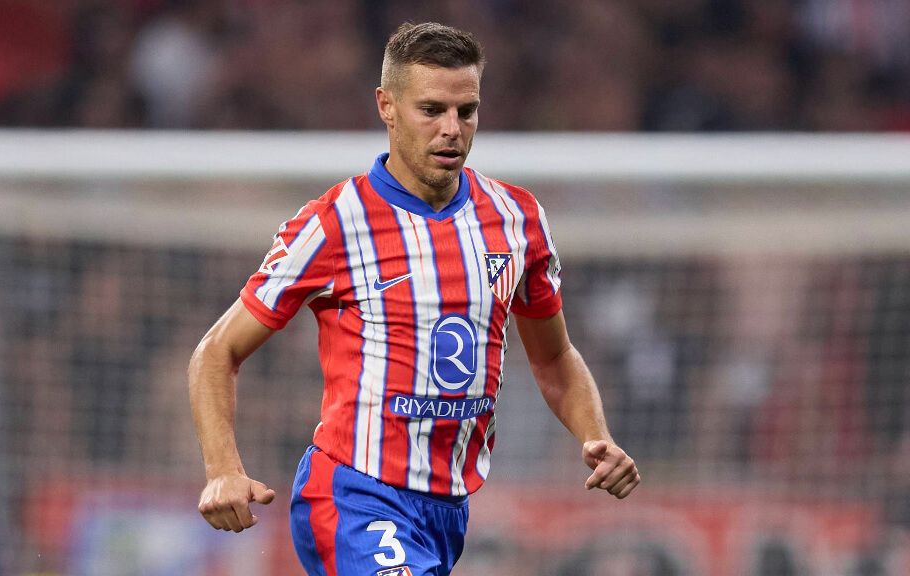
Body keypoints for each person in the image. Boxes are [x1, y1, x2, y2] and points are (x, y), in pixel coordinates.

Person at [188, 21, 640, 576]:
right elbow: (216, 352)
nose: (452, 129)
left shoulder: (517, 219)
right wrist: (222, 468)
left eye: (466, 111)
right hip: (354, 495)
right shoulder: (336, 223)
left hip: (446, 510)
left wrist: (596, 436)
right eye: (431, 110)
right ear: (387, 106)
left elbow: (553, 357)